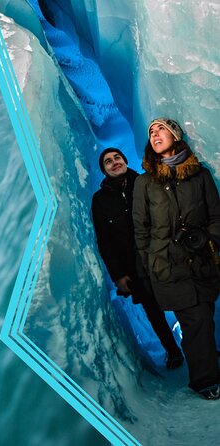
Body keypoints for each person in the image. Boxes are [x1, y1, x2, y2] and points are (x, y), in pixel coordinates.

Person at [133, 117, 220, 400]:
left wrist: (206, 237)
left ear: (175, 136)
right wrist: (150, 264)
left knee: (204, 317)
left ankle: (205, 362)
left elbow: (216, 217)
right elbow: (141, 228)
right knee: (196, 320)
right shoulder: (145, 182)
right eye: (151, 132)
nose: (155, 134)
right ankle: (205, 380)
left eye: (162, 130)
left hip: (201, 262)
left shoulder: (200, 176)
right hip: (168, 267)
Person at [92, 147, 183, 369]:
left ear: (125, 160)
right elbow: (104, 241)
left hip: (163, 257)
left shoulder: (145, 182)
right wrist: (118, 275)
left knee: (183, 301)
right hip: (133, 267)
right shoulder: (100, 200)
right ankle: (173, 352)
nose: (114, 162)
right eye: (108, 162)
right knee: (153, 311)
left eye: (117, 158)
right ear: (103, 171)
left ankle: (199, 347)